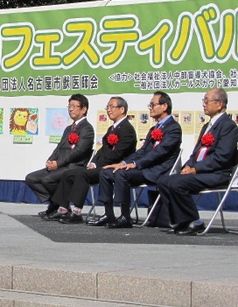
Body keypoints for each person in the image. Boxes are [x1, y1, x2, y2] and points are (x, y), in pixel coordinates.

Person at [92, 91, 182, 228]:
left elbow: (160, 152)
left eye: (153, 104)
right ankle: (108, 213)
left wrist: (135, 164)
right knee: (106, 172)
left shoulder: (174, 128)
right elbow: (143, 151)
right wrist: (123, 163)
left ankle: (125, 216)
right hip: (144, 168)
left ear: (164, 106)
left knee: (122, 174)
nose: (150, 107)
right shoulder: (153, 128)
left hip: (158, 171)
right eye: (150, 104)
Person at [157, 88, 238, 236]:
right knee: (164, 181)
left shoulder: (228, 126)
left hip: (217, 173)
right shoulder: (207, 126)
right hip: (200, 171)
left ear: (219, 104)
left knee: (177, 184)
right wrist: (188, 165)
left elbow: (222, 157)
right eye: (204, 101)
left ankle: (195, 221)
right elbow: (196, 153)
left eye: (207, 101)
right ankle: (181, 221)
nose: (204, 105)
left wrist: (196, 169)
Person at [48, 96, 137, 224]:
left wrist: (97, 165)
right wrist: (93, 162)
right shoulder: (112, 128)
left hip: (115, 167)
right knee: (68, 174)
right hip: (103, 165)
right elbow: (103, 150)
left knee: (83, 174)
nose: (109, 110)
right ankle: (62, 208)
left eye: (112, 107)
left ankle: (77, 211)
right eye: (108, 107)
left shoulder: (127, 129)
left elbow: (118, 154)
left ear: (122, 109)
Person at [25, 94, 95, 218]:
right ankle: (58, 204)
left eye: (74, 106)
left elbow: (78, 152)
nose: (71, 109)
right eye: (69, 106)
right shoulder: (69, 128)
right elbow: (59, 147)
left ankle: (59, 205)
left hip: (73, 167)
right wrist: (51, 160)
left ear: (84, 109)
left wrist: (58, 163)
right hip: (60, 165)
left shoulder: (87, 129)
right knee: (31, 178)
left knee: (47, 179)